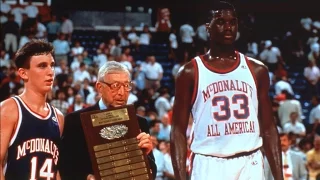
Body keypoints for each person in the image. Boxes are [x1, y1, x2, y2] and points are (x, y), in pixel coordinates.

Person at [170, 1, 283, 180]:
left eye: (232, 22)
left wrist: (279, 177)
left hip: (249, 160)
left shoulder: (257, 70)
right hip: (209, 162)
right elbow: (177, 131)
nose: (228, 27)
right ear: (208, 27)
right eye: (221, 21)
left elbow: (269, 128)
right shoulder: (190, 72)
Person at [59, 61, 157, 180]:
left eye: (126, 86)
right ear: (99, 87)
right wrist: (88, 177)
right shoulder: (75, 120)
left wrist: (146, 155)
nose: (122, 93)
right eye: (115, 86)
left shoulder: (140, 122)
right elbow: (65, 166)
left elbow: (152, 174)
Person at [0, 40, 64, 179]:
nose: (50, 72)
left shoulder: (58, 117)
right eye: (42, 66)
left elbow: (56, 168)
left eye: (52, 65)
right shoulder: (9, 109)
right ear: (23, 73)